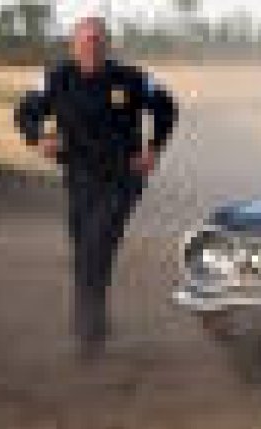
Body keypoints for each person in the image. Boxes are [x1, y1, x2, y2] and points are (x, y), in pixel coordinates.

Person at [14, 16, 177, 361]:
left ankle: (87, 332)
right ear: (73, 45)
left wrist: (153, 148)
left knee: (96, 245)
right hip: (79, 178)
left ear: (107, 44)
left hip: (122, 178)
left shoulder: (132, 78)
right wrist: (39, 137)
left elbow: (167, 106)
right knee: (86, 252)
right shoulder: (55, 78)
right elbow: (25, 111)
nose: (91, 46)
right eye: (85, 40)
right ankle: (95, 322)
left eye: (97, 40)